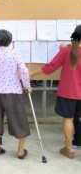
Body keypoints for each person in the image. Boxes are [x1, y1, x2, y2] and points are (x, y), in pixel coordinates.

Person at [30, 25, 81, 159]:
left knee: (68, 119)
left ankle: (69, 149)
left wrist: (33, 74)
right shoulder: (68, 50)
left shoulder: (66, 51)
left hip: (68, 92)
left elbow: (50, 67)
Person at [0, 29, 32, 159]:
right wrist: (27, 86)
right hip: (12, 91)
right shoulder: (15, 53)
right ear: (10, 41)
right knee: (18, 120)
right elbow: (24, 71)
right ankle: (20, 151)